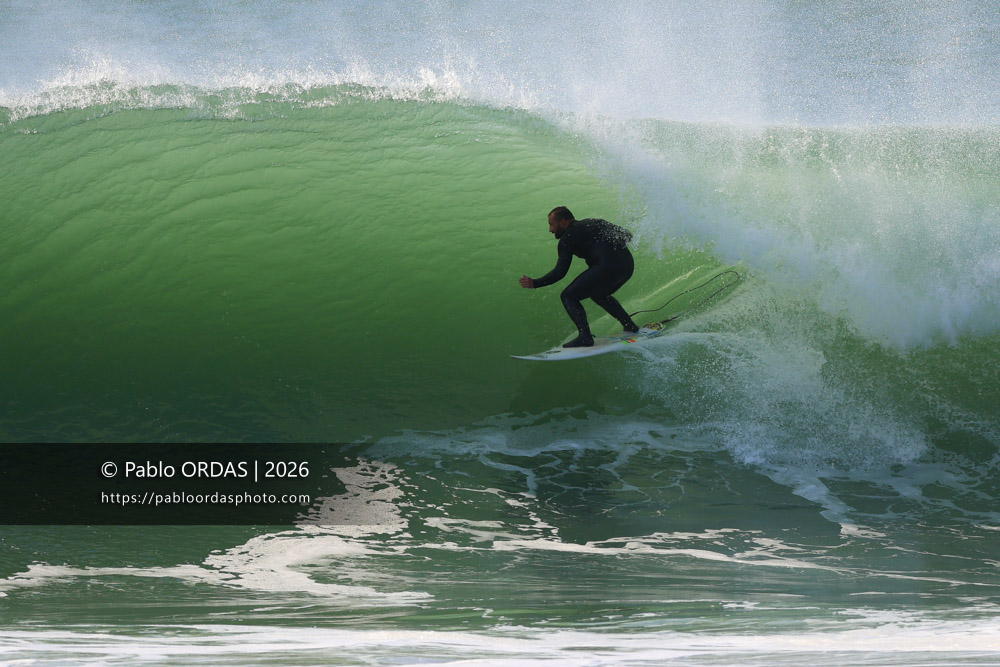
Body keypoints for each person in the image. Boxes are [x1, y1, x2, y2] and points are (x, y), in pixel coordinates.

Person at [519, 206, 639, 347]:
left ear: (564, 221)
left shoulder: (566, 239)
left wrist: (535, 283)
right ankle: (630, 325)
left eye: (552, 224)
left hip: (607, 267)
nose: (550, 230)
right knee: (599, 294)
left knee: (568, 296)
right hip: (627, 265)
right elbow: (627, 235)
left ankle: (585, 336)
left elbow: (560, 272)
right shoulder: (594, 221)